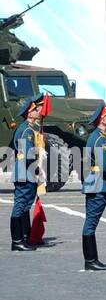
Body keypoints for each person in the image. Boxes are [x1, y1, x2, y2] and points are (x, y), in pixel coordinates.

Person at [81, 103, 106, 271]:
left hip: (94, 182)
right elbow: (104, 165)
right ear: (102, 119)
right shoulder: (100, 139)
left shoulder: (97, 136)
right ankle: (90, 260)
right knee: (91, 223)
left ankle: (91, 260)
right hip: (99, 183)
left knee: (90, 222)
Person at [9, 96, 41, 252]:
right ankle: (17, 241)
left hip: (25, 170)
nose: (38, 111)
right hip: (25, 171)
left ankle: (25, 236)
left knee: (24, 205)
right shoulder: (26, 130)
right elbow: (28, 154)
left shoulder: (28, 128)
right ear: (29, 112)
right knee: (20, 205)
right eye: (35, 109)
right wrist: (38, 169)